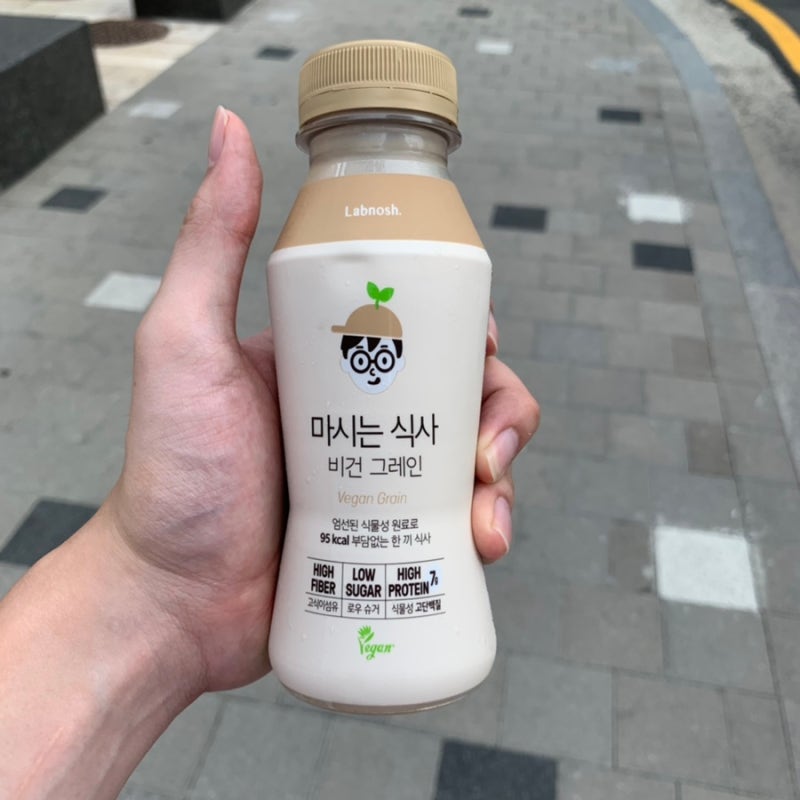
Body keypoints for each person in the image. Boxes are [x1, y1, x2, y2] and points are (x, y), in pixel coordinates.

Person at [0, 108, 539, 799]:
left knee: (432, 417)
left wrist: (151, 592)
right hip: (317, 571)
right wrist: (156, 584)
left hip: (398, 572)